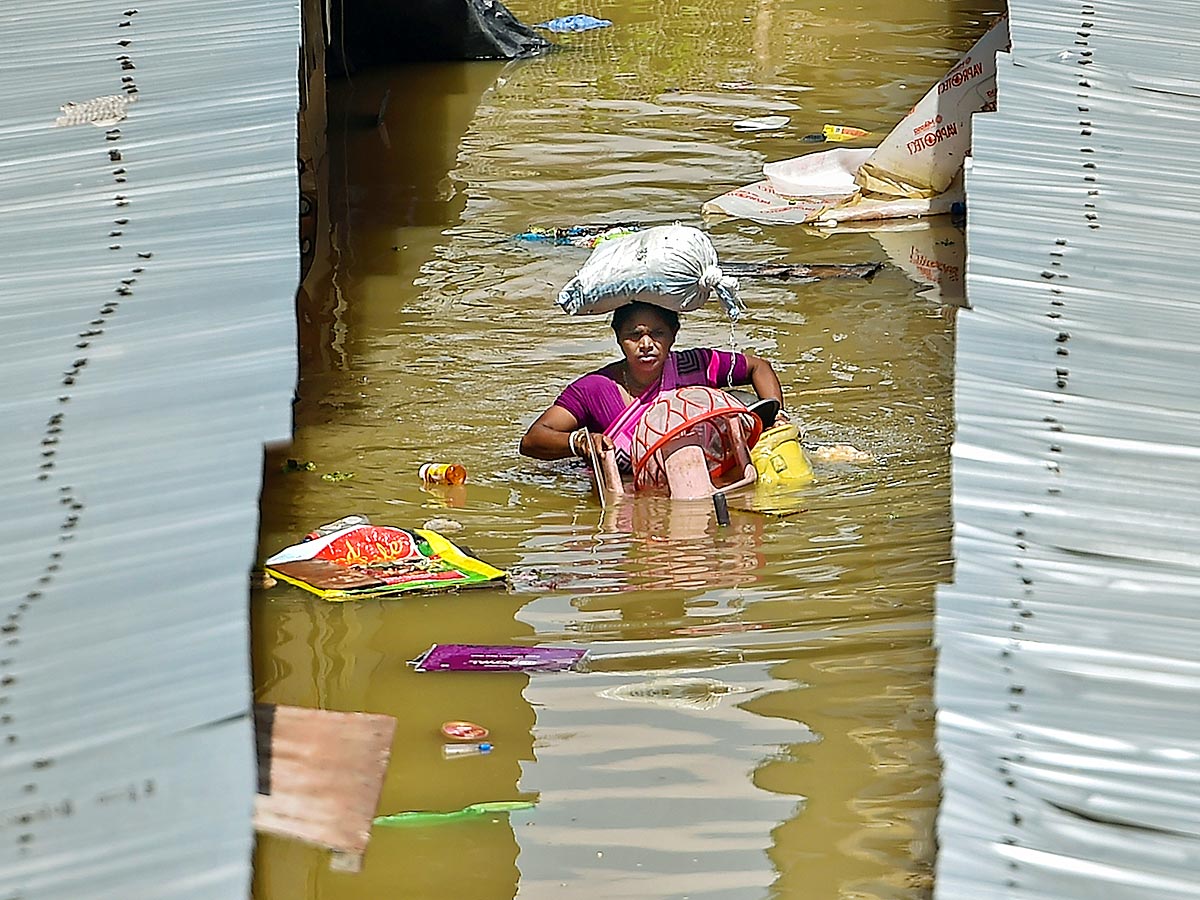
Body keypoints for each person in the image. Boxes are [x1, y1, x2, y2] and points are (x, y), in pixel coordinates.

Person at [519, 301, 787, 475]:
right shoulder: (595, 389)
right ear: (619, 339)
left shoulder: (695, 366)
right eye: (634, 335)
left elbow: (758, 367)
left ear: (673, 335)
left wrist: (779, 419)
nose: (646, 344)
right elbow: (533, 440)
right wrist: (581, 442)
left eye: (657, 334)